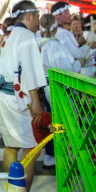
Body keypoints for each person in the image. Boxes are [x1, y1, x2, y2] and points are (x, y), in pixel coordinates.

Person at [0, 0, 49, 192]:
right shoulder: (25, 36)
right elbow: (29, 71)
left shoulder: (9, 35)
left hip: (4, 98)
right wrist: (35, 101)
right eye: (36, 16)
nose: (38, 21)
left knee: (11, 147)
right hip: (18, 100)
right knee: (31, 150)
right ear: (28, 16)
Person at [38, 14, 81, 168]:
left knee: (57, 122)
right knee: (68, 123)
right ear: (56, 27)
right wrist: (78, 64)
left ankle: (52, 155)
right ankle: (70, 158)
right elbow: (66, 70)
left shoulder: (40, 45)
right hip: (60, 89)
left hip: (48, 89)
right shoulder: (54, 46)